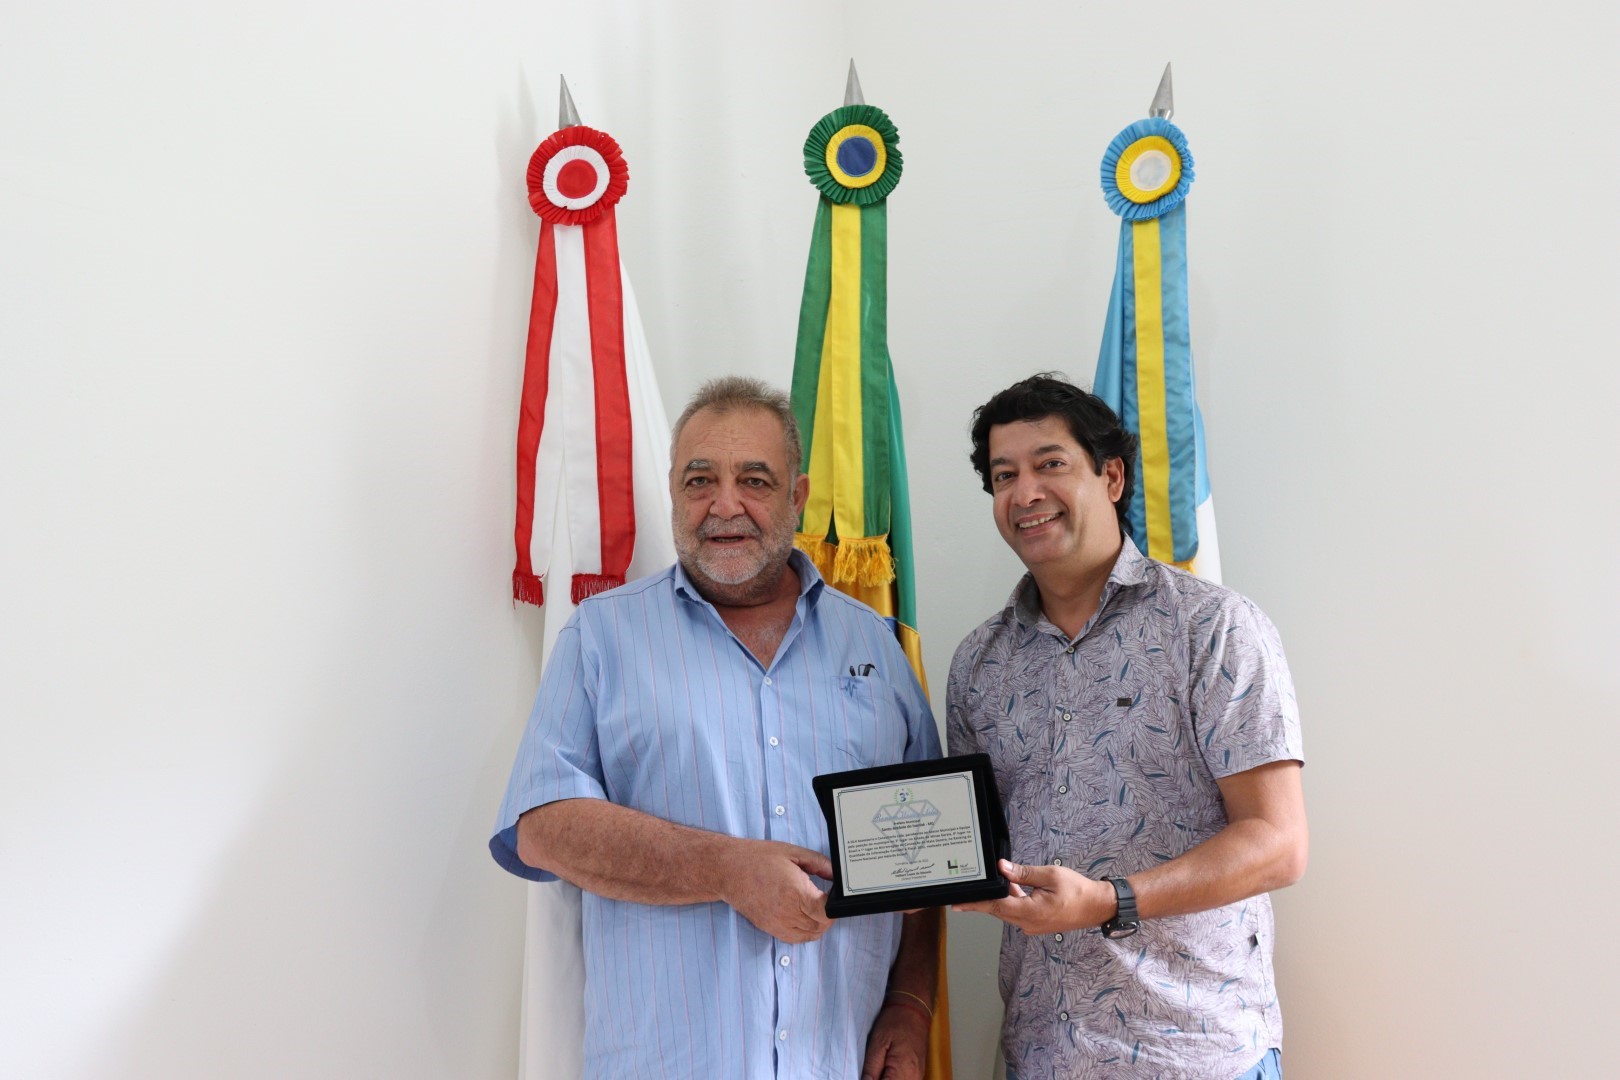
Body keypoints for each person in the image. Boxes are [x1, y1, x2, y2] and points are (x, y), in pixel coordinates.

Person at [490, 376, 942, 1080]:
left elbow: (934, 858)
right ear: (673, 492)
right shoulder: (602, 637)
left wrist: (911, 1005)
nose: (725, 505)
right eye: (700, 480)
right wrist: (727, 871)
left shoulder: (876, 648)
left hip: (839, 1062)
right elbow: (540, 828)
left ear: (797, 496)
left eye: (754, 480)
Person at [947, 374, 1307, 1080]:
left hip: (1198, 1055)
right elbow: (978, 847)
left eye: (1050, 464)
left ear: (1111, 477)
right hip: (1042, 1056)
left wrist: (1110, 902)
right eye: (1004, 475)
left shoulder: (1212, 628)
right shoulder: (979, 663)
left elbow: (1278, 844)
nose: (1025, 493)